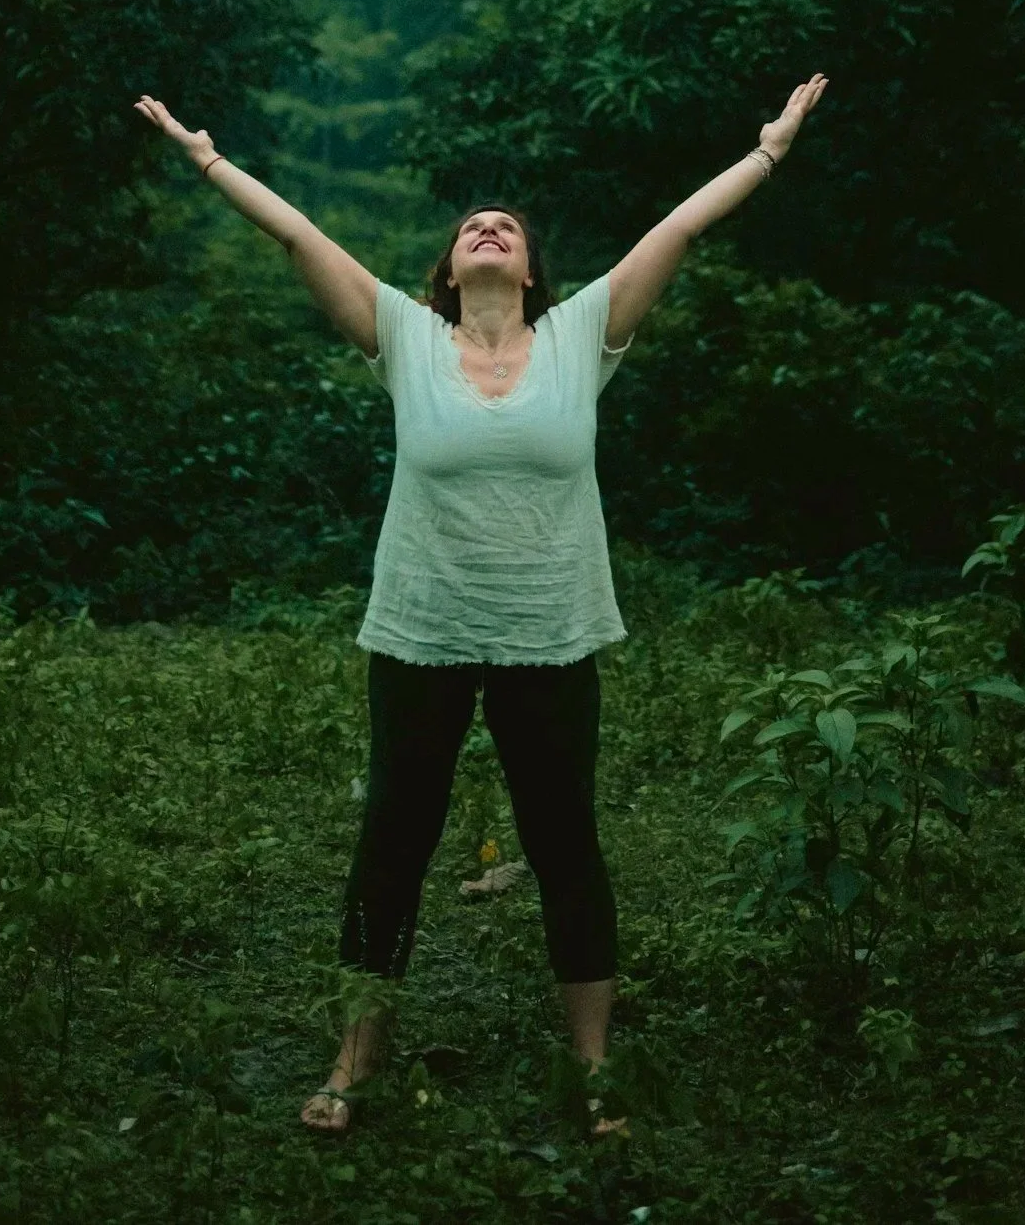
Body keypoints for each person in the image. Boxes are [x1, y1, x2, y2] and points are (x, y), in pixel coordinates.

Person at [134, 75, 829, 1134]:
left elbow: (680, 224)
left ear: (533, 267)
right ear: (448, 270)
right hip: (421, 636)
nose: (488, 229)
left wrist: (771, 148)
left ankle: (595, 1072)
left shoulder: (581, 336)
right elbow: (298, 236)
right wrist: (206, 159)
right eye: (471, 227)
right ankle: (356, 1059)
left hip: (550, 640)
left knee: (565, 845)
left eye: (505, 226)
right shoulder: (406, 339)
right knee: (392, 842)